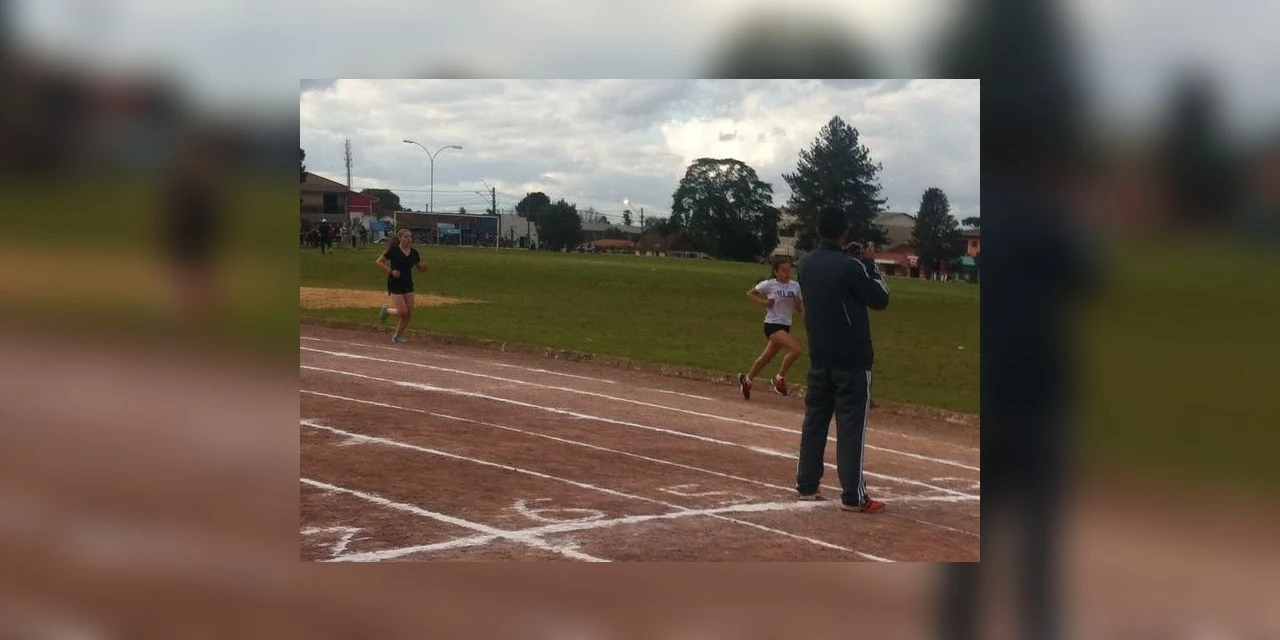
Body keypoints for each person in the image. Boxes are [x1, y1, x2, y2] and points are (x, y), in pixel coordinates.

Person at [793, 206, 890, 513]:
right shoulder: (850, 266)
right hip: (851, 359)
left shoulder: (805, 262)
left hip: (819, 354)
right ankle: (853, 495)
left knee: (815, 420)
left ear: (817, 230)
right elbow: (880, 298)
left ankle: (807, 484)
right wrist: (869, 263)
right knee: (851, 427)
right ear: (844, 233)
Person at [737, 256, 804, 398]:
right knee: (796, 350)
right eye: (783, 271)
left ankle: (747, 380)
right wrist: (764, 303)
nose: (787, 274)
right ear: (776, 271)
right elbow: (750, 294)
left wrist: (798, 303)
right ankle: (779, 378)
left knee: (766, 358)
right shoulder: (769, 284)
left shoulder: (795, 286)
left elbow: (799, 310)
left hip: (785, 325)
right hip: (772, 324)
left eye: (789, 270)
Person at [375, 229, 428, 343]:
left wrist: (424, 267)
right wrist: (391, 271)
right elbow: (379, 261)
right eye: (406, 237)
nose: (409, 239)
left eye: (410, 237)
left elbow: (419, 268)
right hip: (395, 283)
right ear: (400, 238)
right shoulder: (394, 250)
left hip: (408, 283)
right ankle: (387, 310)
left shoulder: (414, 253)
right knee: (403, 312)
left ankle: (397, 336)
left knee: (408, 313)